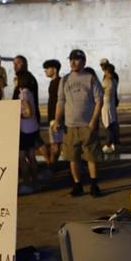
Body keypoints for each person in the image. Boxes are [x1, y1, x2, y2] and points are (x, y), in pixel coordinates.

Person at [54, 49, 104, 197]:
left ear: (83, 61)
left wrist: (93, 121)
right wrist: (57, 120)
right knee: (73, 157)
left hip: (87, 125)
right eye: (71, 59)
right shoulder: (65, 80)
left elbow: (99, 100)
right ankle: (77, 184)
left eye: (76, 59)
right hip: (70, 126)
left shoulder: (90, 78)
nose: (73, 62)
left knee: (91, 157)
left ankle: (94, 184)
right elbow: (60, 102)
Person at [16, 70, 39, 195]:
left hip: (25, 129)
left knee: (22, 157)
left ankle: (26, 183)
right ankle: (35, 181)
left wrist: (18, 116)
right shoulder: (29, 92)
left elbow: (29, 113)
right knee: (31, 155)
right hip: (33, 128)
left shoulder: (23, 94)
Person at [42, 59, 63, 169]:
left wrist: (57, 119)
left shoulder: (59, 82)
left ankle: (52, 167)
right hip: (53, 118)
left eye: (47, 68)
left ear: (54, 69)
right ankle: (52, 166)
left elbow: (60, 102)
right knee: (55, 144)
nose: (45, 70)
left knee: (55, 145)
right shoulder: (53, 82)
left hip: (56, 118)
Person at [101, 62, 120, 154]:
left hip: (106, 105)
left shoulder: (107, 82)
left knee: (107, 125)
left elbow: (100, 91)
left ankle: (108, 143)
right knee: (112, 124)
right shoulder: (114, 81)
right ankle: (113, 142)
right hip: (111, 104)